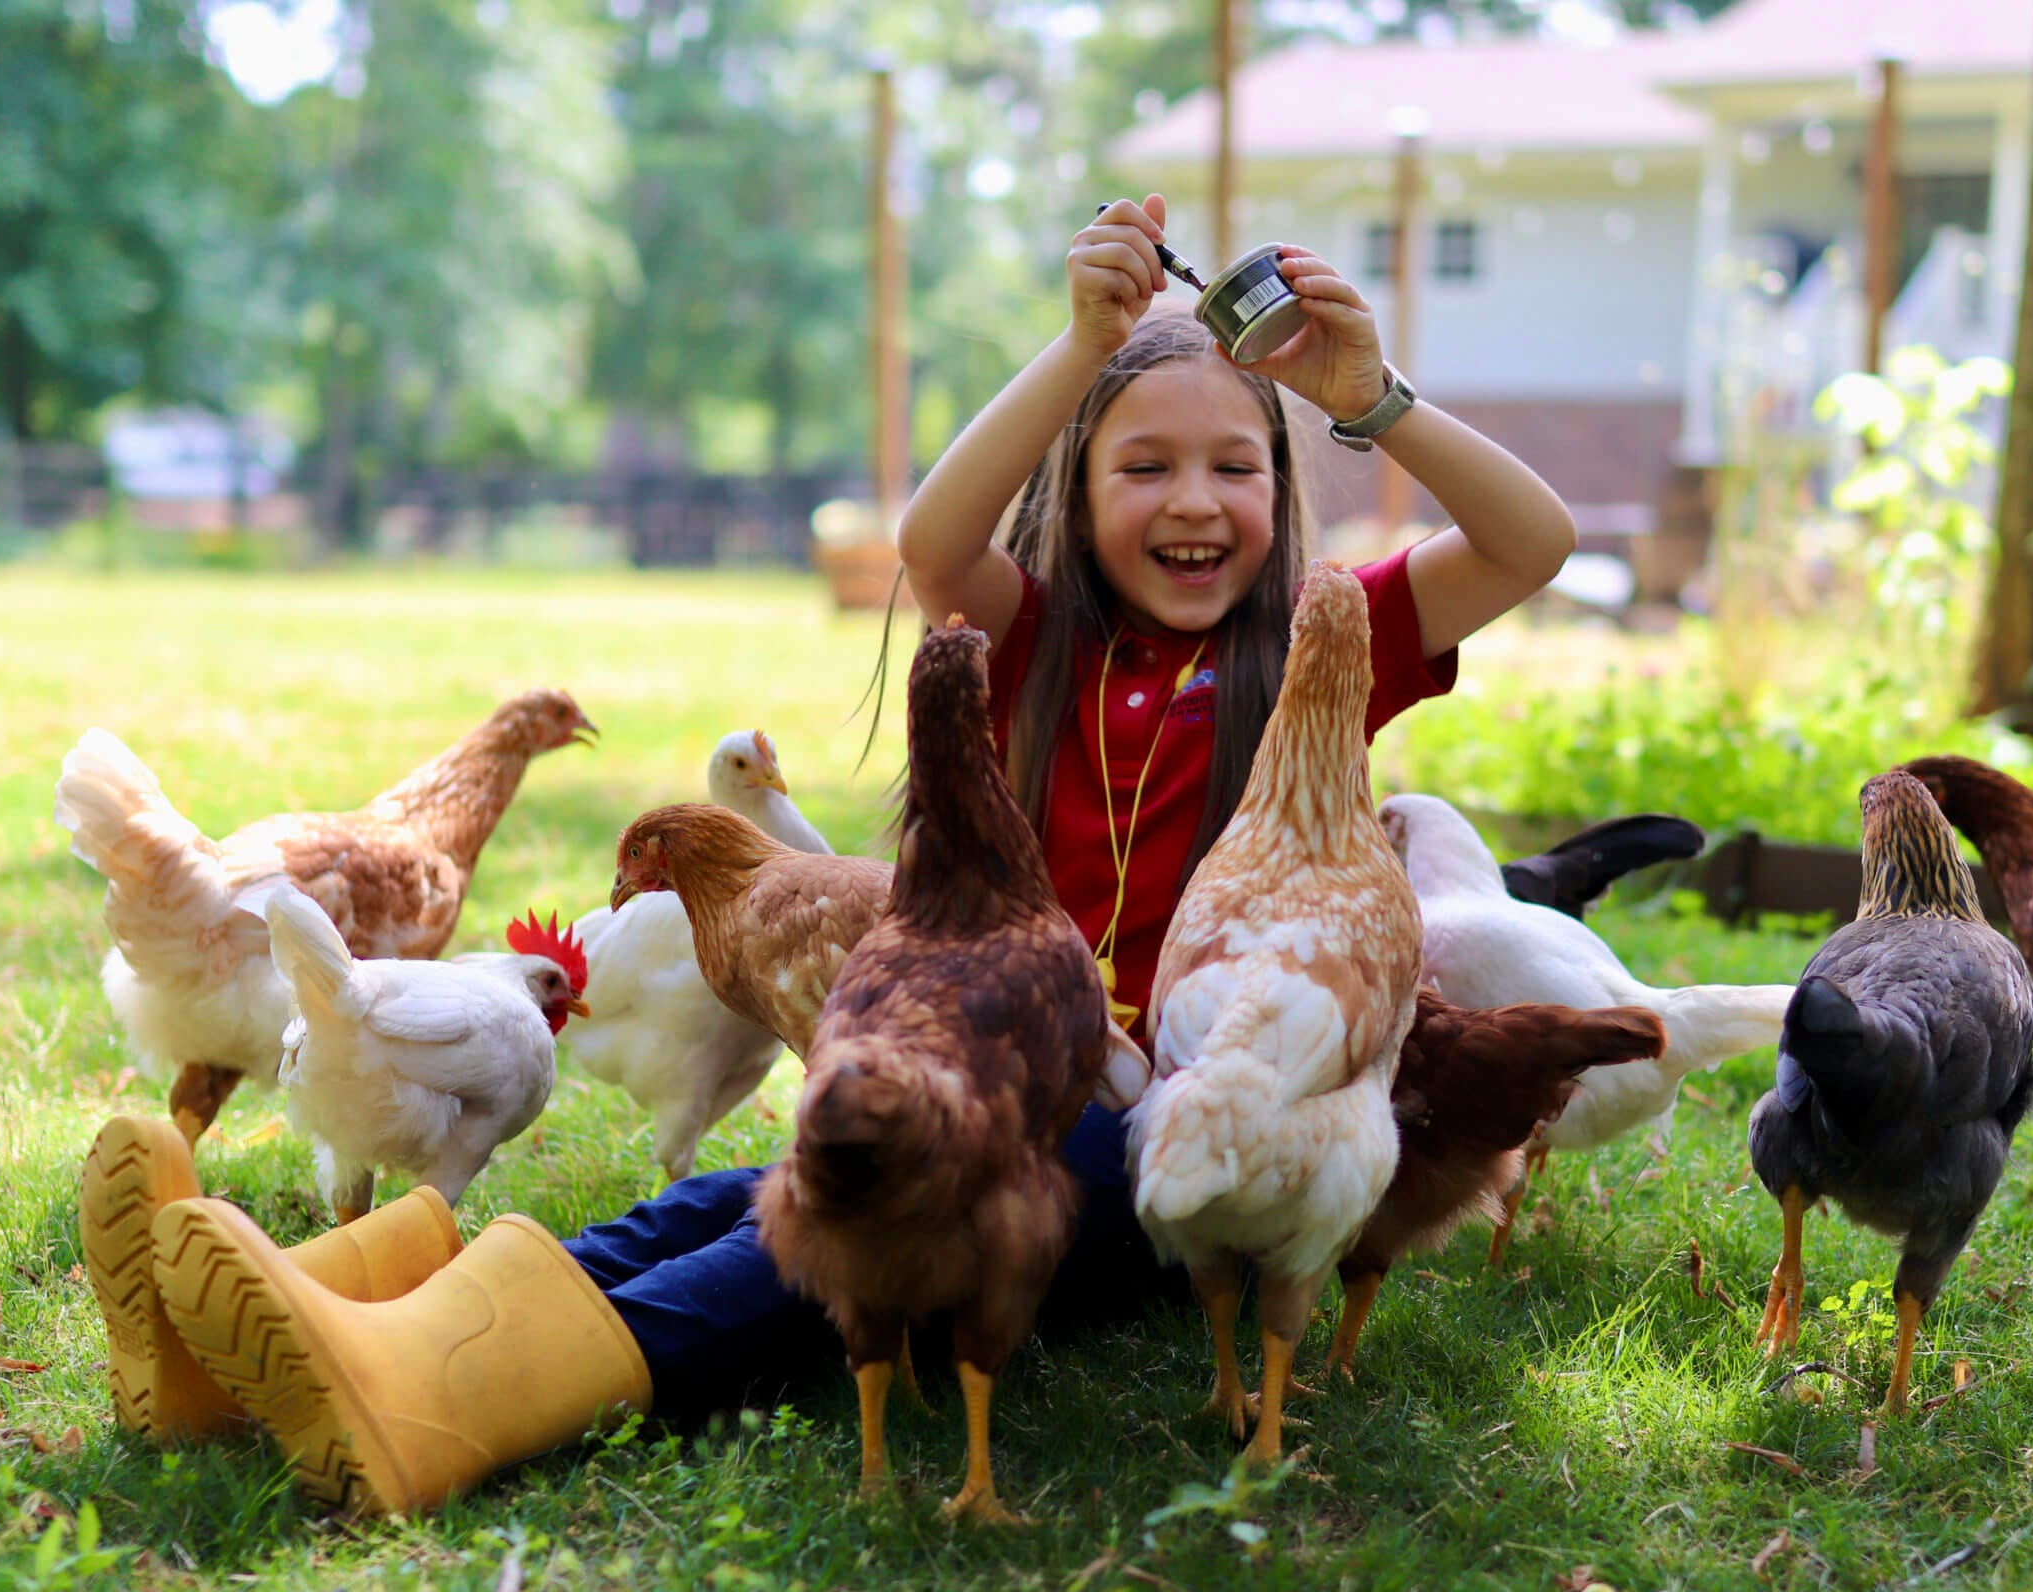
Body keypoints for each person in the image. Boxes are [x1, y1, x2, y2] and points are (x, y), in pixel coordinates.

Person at [82, 195, 1577, 1516]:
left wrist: (1368, 397)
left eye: (1235, 469)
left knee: (860, 1237)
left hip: (1175, 1135)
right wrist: (1078, 347)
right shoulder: (1039, 638)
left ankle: (435, 1387)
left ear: (1280, 487)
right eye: (1144, 467)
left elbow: (1530, 542)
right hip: (992, 1064)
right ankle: (279, 1329)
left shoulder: (1323, 652)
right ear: (1080, 490)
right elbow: (936, 541)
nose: (1194, 501)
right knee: (757, 1195)